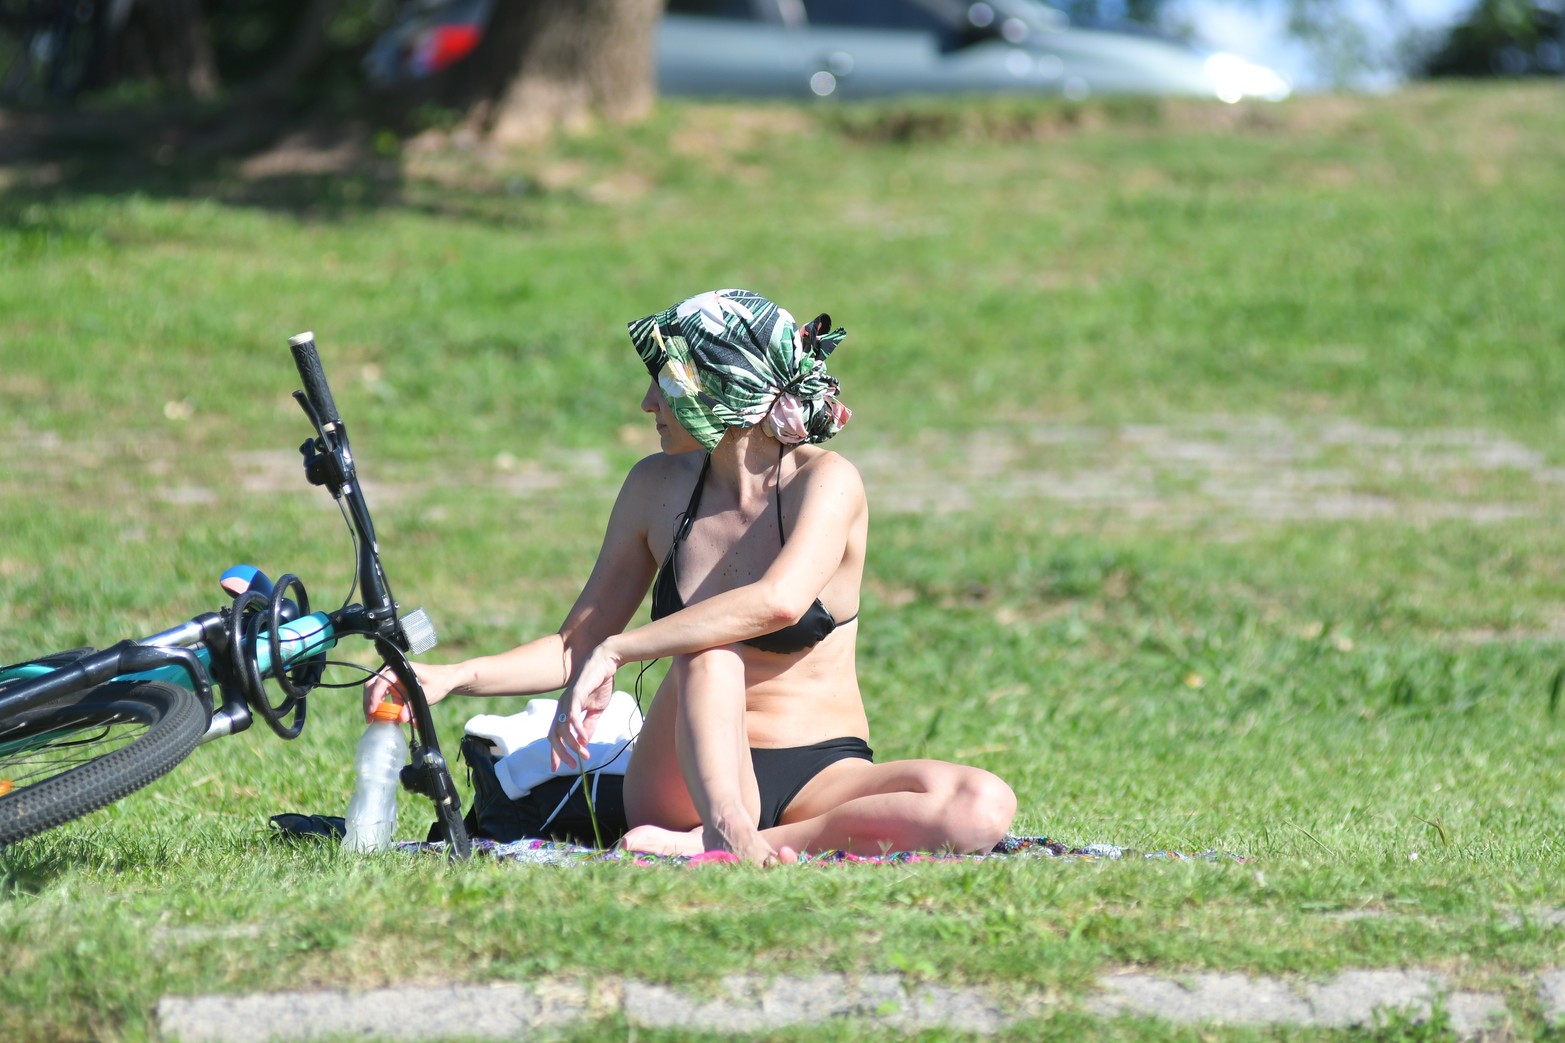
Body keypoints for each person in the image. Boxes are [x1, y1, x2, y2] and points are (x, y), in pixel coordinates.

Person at [364, 289, 1016, 864]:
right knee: (710, 656)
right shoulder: (654, 488)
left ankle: (754, 841)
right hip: (680, 772)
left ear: (722, 389)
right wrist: (451, 676)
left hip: (821, 764)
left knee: (979, 806)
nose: (649, 400)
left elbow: (778, 602)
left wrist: (621, 648)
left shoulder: (826, 481)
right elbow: (575, 646)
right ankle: (725, 826)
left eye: (665, 382)